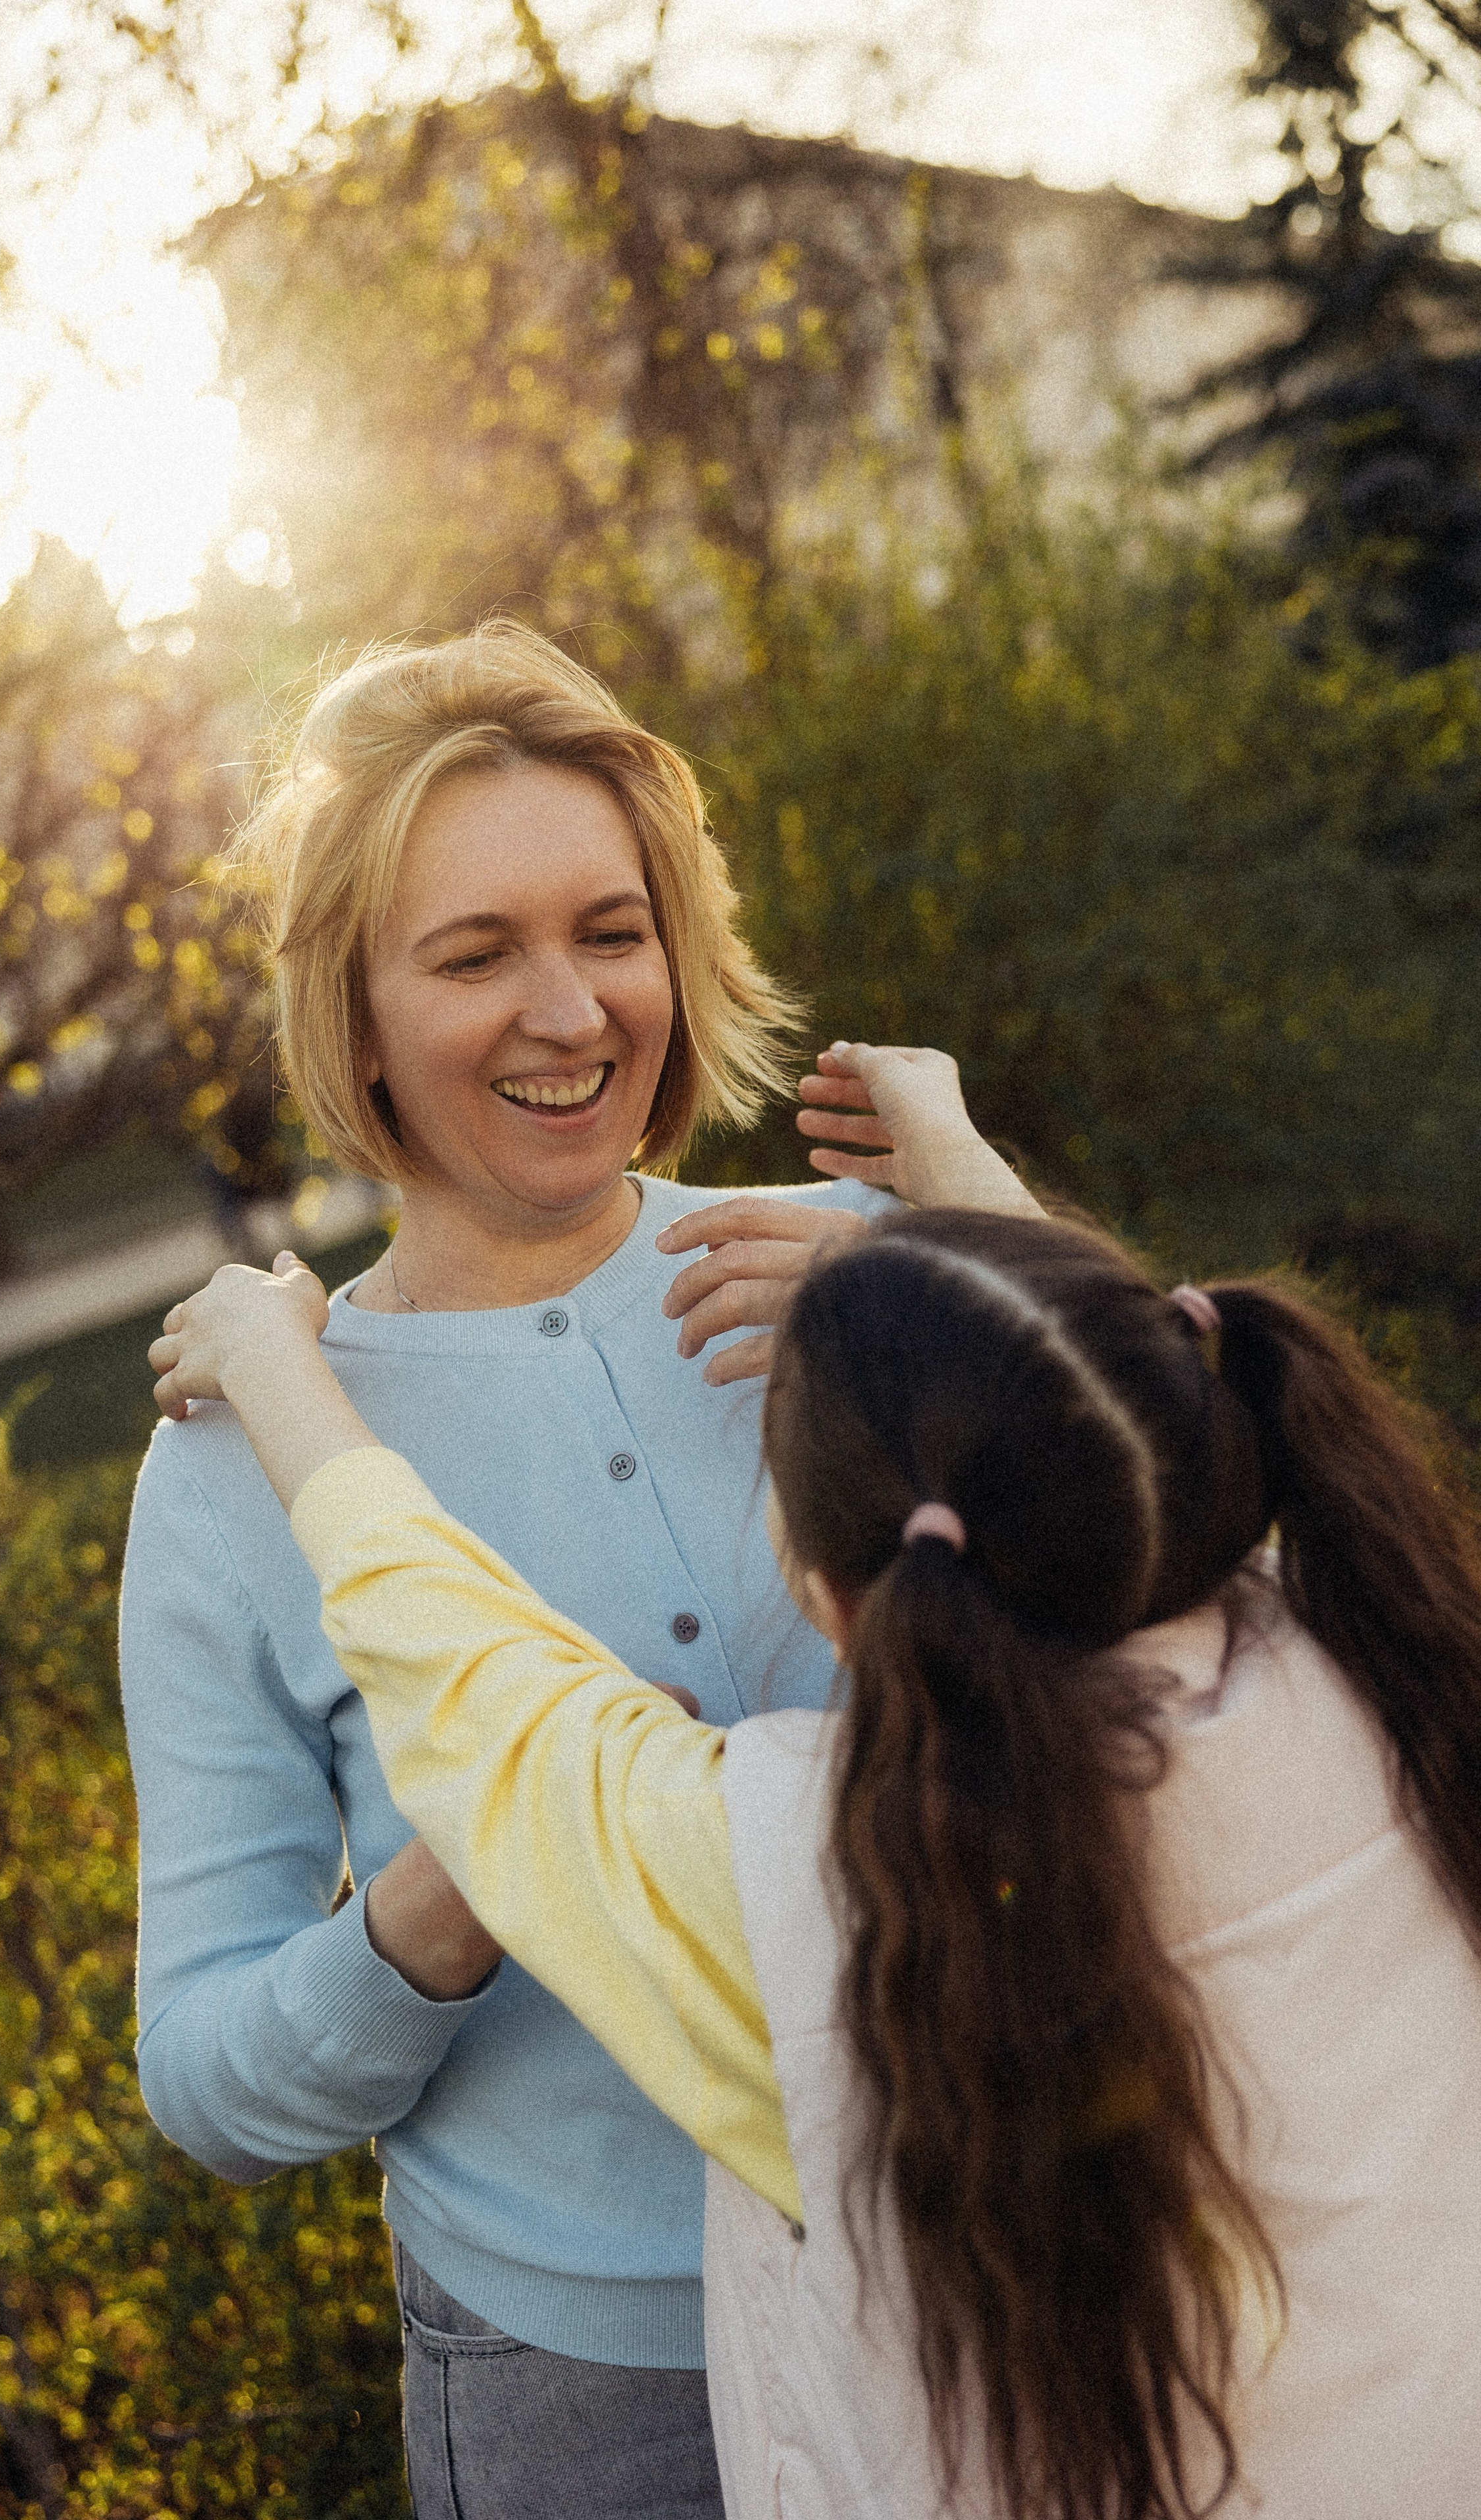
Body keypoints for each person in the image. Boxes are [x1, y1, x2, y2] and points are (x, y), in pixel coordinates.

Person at [149, 1202, 1481, 2520]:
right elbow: (1123, 1423)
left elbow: (484, 1699)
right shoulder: (1371, 1660)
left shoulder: (806, 1886)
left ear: (833, 1592)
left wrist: (273, 1368)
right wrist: (929, 1250)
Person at [118, 620, 1038, 2520]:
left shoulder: (864, 1255)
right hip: (595, 2394)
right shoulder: (242, 1458)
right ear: (355, 1018)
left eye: (610, 932)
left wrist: (975, 1284)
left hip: (1011, 2258)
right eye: (475, 955)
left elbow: (1196, 1596)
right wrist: (442, 1915)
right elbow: (205, 2080)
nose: (571, 1010)